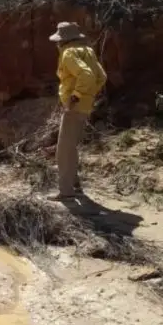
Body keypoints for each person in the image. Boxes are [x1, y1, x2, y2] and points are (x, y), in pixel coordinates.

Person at [48, 21, 107, 200]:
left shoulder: (68, 53)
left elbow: (86, 74)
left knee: (63, 150)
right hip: (84, 106)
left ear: (62, 40)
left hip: (74, 106)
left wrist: (75, 96)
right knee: (71, 146)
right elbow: (101, 77)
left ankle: (66, 192)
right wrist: (88, 96)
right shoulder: (87, 50)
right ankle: (75, 185)